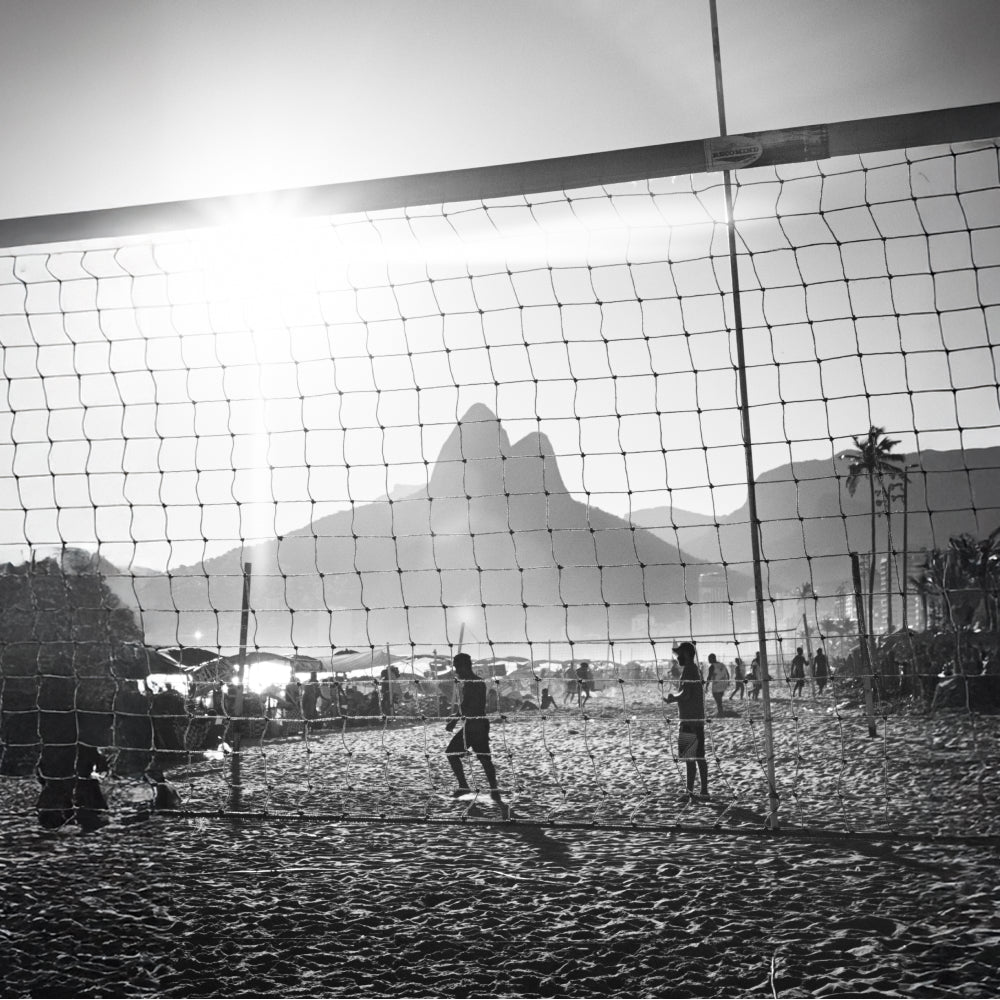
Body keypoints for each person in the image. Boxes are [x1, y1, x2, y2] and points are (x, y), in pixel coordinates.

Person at [445, 653, 509, 817]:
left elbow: (469, 705)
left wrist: (455, 720)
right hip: (478, 724)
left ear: (464, 666)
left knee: (453, 753)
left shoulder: (474, 683)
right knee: (484, 758)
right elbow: (468, 705)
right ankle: (493, 790)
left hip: (475, 725)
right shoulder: (474, 682)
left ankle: (465, 786)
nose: (456, 670)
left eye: (457, 666)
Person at [663, 641, 708, 799]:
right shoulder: (694, 669)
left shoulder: (689, 670)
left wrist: (672, 698)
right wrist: (676, 696)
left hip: (689, 720)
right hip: (697, 719)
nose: (677, 658)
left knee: (690, 758)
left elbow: (686, 694)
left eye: (679, 654)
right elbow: (688, 692)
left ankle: (690, 792)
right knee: (699, 757)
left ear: (687, 654)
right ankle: (704, 791)